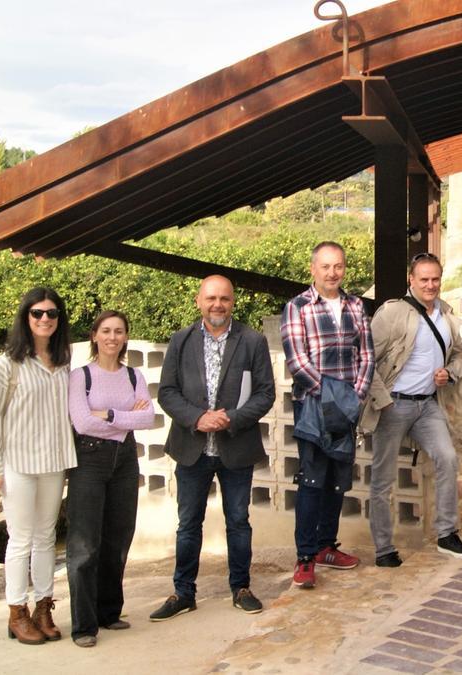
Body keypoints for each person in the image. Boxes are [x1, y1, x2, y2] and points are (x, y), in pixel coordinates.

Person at [151, 275, 277, 619]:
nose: (217, 304)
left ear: (232, 302)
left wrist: (230, 419)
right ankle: (183, 592)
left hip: (235, 447)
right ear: (198, 301)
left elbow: (266, 392)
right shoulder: (181, 340)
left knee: (238, 521)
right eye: (211, 298)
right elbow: (167, 392)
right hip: (192, 448)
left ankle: (241, 587)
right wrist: (197, 418)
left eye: (224, 298)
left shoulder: (252, 341)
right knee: (188, 523)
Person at [362, 253, 462, 567]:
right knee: (383, 478)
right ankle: (384, 548)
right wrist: (382, 399)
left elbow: (461, 356)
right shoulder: (393, 313)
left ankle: (446, 534)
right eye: (423, 279)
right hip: (392, 403)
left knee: (448, 459)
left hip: (427, 405)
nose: (430, 285)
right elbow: (367, 358)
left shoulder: (447, 315)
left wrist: (449, 373)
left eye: (435, 279)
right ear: (411, 280)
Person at [0, 287, 75, 645]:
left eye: (52, 313)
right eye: (37, 313)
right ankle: (16, 612)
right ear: (25, 317)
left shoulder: (64, 362)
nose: (45, 319)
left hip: (53, 462)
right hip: (18, 463)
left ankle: (43, 608)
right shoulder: (5, 366)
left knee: (45, 538)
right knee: (20, 539)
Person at [281, 241, 374, 589]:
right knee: (311, 480)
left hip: (347, 407)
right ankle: (305, 557)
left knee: (338, 479)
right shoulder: (298, 307)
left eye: (338, 266)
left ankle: (325, 547)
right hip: (313, 407)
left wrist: (356, 396)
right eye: (325, 266)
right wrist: (333, 398)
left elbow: (366, 355)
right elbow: (298, 361)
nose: (332, 273)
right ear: (313, 269)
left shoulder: (356, 306)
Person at [66, 310, 155, 647]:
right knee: (85, 544)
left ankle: (109, 612)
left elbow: (148, 419)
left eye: (119, 331)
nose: (112, 337)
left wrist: (110, 415)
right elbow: (83, 423)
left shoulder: (134, 376)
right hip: (89, 459)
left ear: (125, 337)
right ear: (94, 336)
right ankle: (84, 626)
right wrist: (127, 417)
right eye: (106, 331)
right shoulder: (80, 376)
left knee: (118, 538)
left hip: (124, 459)